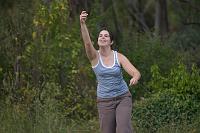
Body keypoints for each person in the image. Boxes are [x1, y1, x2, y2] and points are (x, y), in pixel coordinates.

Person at [80, 10, 141, 133]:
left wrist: (135, 77)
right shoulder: (94, 57)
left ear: (111, 42)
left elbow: (135, 72)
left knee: (123, 129)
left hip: (122, 97)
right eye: (100, 35)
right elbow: (87, 43)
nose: (103, 37)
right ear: (97, 40)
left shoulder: (118, 57)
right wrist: (82, 24)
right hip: (104, 101)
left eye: (106, 35)